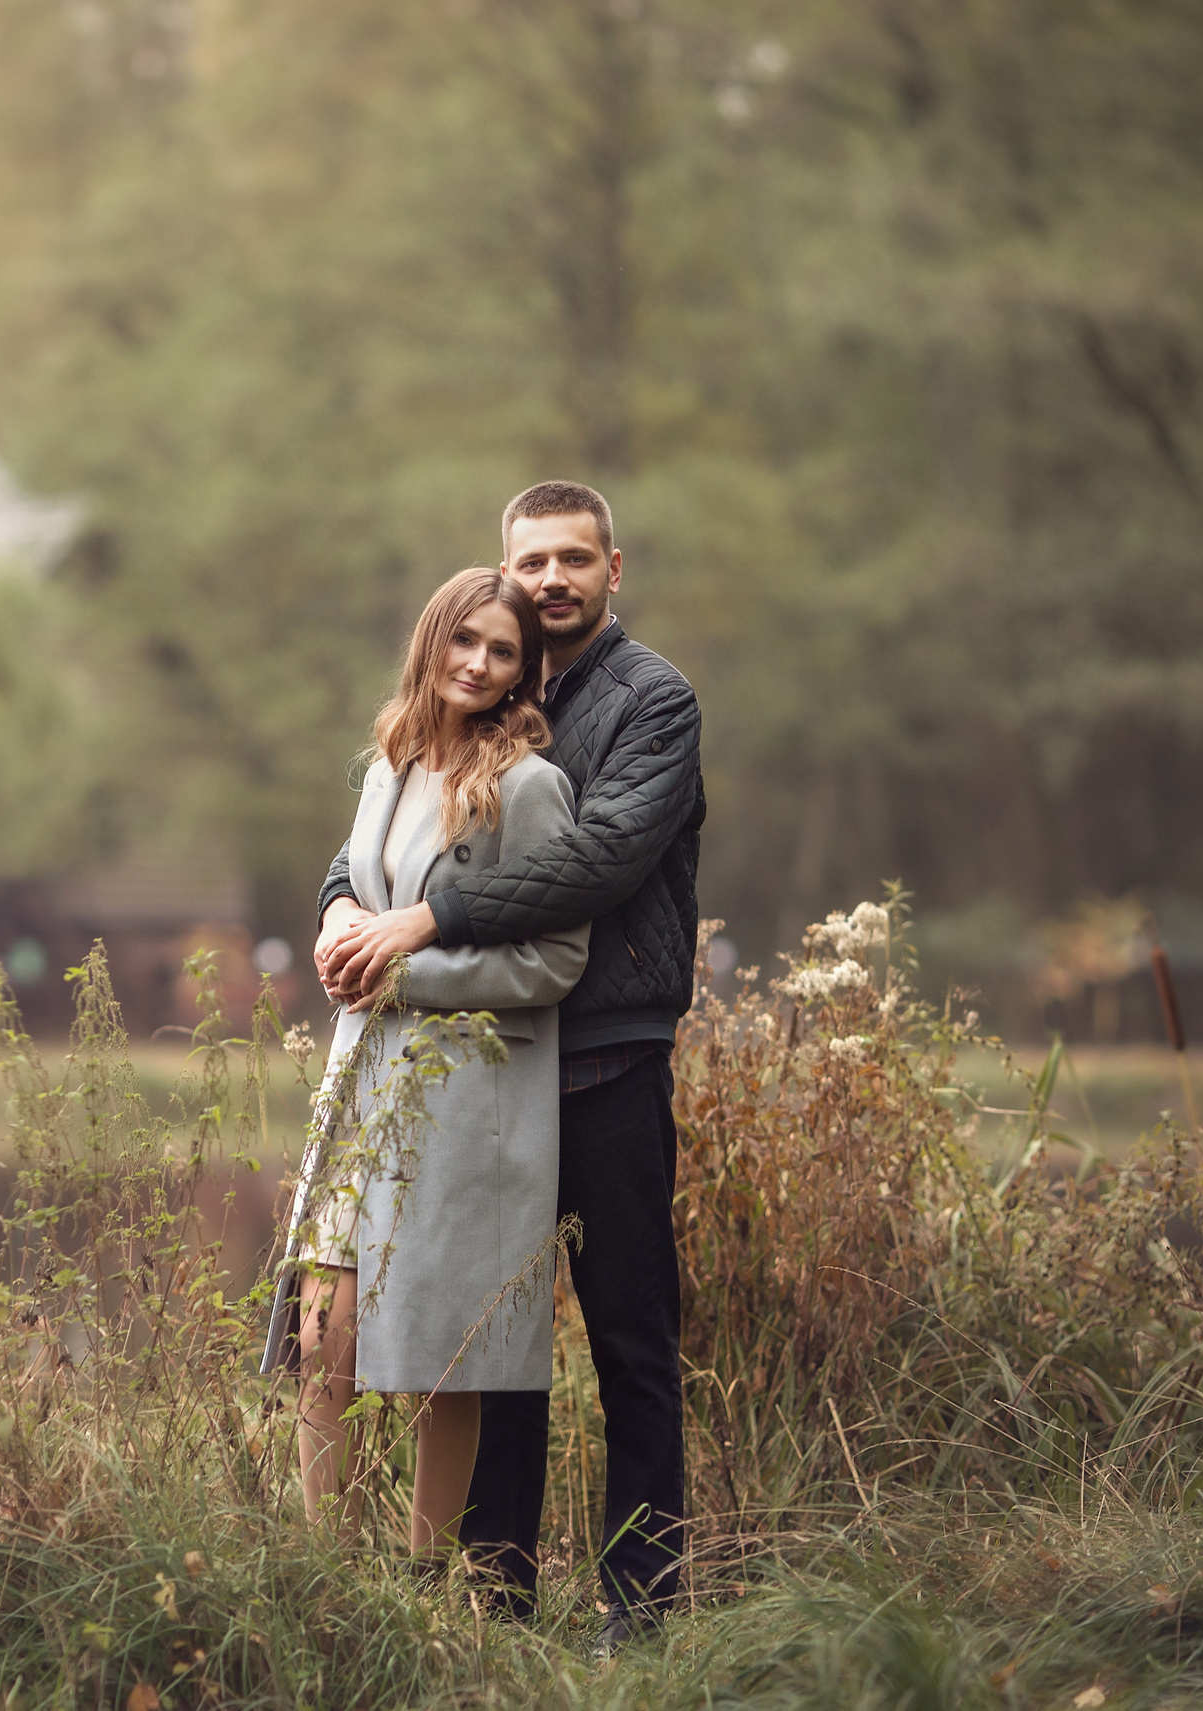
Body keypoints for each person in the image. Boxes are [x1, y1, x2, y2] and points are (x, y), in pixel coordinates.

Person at [316, 481, 704, 1648]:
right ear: (503, 566)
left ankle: (639, 1610)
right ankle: (495, 1602)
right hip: (487, 1073)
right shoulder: (496, 686)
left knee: (631, 1337)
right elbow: (380, 840)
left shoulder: (653, 701)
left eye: (572, 559)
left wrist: (423, 923)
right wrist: (343, 907)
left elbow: (595, 862)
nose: (550, 580)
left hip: (603, 1059)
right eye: (530, 559)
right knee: (494, 1340)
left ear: (612, 569)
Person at [262, 566, 590, 1566]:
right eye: (467, 642)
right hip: (363, 1080)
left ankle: (418, 1579)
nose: (480, 665)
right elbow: (358, 887)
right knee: (324, 1339)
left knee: (446, 1356)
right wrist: (336, 925)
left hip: (466, 1091)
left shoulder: (530, 789)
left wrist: (409, 978)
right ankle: (327, 1570)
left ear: (522, 670)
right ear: (430, 641)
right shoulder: (388, 769)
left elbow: (556, 957)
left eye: (504, 652)